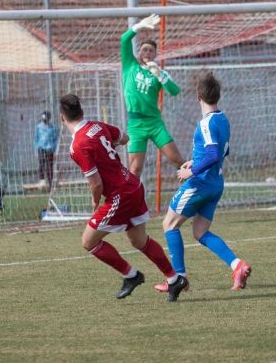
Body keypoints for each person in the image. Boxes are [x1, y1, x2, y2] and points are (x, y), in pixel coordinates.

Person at [59, 93, 188, 301]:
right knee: (139, 241)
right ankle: (174, 279)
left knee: (88, 241)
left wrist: (95, 200)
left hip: (119, 194)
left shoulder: (77, 146)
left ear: (61, 117)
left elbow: (97, 183)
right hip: (134, 186)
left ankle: (131, 276)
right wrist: (108, 147)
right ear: (81, 111)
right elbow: (125, 139)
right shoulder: (98, 126)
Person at [158, 72, 252, 295]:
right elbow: (222, 151)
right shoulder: (223, 118)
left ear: (198, 96)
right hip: (215, 184)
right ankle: (237, 265)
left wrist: (192, 172)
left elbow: (211, 155)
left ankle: (178, 278)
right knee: (200, 232)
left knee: (169, 224)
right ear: (217, 96)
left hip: (200, 184)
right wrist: (195, 161)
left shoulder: (207, 123)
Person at [120, 14, 185, 177]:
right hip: (135, 125)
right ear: (139, 52)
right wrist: (138, 26)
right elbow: (124, 40)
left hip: (155, 124)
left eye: (151, 50)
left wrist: (159, 75)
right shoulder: (130, 65)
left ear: (155, 54)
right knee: (134, 170)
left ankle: (194, 191)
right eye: (144, 49)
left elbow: (174, 91)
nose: (147, 52)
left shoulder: (158, 72)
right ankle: (130, 201)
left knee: (177, 160)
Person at [30, 110, 59, 190]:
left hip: (50, 149)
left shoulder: (53, 128)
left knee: (50, 167)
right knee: (41, 164)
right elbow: (36, 139)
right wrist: (36, 151)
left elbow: (56, 139)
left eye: (46, 120)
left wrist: (56, 150)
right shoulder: (39, 127)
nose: (45, 122)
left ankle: (51, 184)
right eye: (44, 120)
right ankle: (42, 181)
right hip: (41, 148)